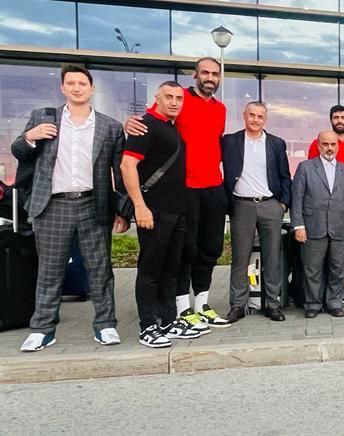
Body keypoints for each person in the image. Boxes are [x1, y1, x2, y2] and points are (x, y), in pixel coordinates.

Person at [15, 64, 129, 352]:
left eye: (82, 83)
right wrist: (31, 136)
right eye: (71, 83)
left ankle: (105, 324)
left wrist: (123, 210)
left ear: (92, 88)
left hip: (94, 204)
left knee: (100, 269)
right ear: (62, 88)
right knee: (49, 270)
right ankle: (42, 329)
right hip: (53, 205)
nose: (77, 88)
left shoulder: (110, 126)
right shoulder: (44, 119)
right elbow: (19, 151)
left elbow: (119, 171)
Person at [124, 57, 230, 331]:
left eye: (215, 74)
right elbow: (149, 121)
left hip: (213, 186)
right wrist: (129, 123)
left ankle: (202, 304)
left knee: (210, 248)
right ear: (195, 75)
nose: (210, 77)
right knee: (186, 251)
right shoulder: (180, 100)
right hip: (185, 189)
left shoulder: (220, 109)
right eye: (205, 72)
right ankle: (182, 308)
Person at [121, 81, 201, 347]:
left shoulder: (170, 127)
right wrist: (140, 206)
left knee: (171, 269)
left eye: (179, 98)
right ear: (157, 97)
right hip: (154, 212)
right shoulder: (145, 125)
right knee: (150, 270)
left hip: (176, 210)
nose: (174, 102)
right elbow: (127, 166)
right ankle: (147, 327)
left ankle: (168, 321)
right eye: (169, 97)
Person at [221, 102, 292, 323]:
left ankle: (273, 304)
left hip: (270, 205)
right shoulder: (230, 141)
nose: (255, 119)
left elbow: (285, 176)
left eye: (260, 116)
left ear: (265, 119)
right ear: (244, 116)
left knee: (272, 257)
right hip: (241, 205)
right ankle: (237, 305)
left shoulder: (276, 143)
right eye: (251, 115)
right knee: (240, 258)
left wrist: (283, 204)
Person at [291, 131, 344, 318]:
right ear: (318, 145)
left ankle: (334, 302)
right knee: (312, 269)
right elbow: (297, 198)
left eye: (333, 144)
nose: (329, 148)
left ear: (338, 146)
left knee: (338, 268)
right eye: (325, 144)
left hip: (339, 228)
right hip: (312, 227)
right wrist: (298, 226)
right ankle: (313, 304)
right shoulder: (305, 168)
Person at [307, 105, 344, 300]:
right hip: (320, 213)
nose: (339, 120)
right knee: (319, 261)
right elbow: (311, 175)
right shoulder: (317, 144)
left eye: (343, 117)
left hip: (342, 209)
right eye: (336, 117)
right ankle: (318, 297)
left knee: (340, 260)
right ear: (331, 120)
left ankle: (336, 296)